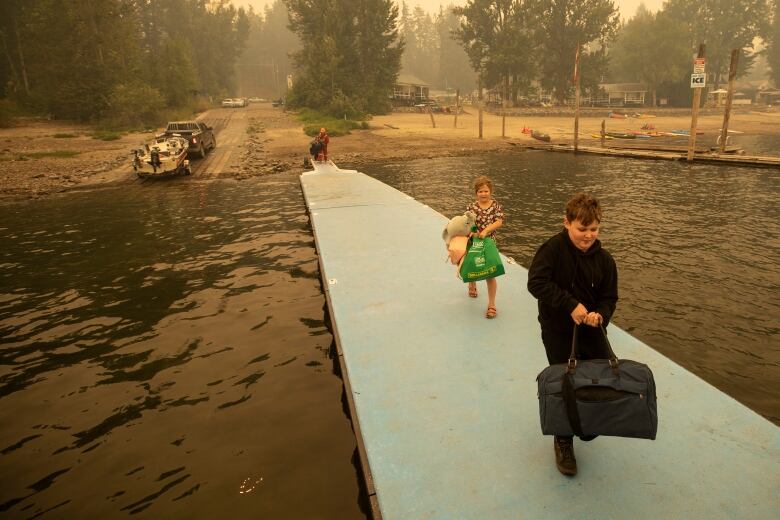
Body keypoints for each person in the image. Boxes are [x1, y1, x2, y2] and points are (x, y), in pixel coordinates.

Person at [527, 193, 618, 476]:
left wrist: (599, 315)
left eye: (594, 229)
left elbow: (609, 297)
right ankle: (563, 439)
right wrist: (570, 305)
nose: (588, 235)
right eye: (582, 229)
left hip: (591, 332)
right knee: (565, 382)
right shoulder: (552, 250)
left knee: (598, 377)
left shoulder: (605, 260)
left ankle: (586, 422)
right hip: (558, 332)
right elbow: (536, 283)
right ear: (566, 223)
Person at [465, 176, 504, 319]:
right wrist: (473, 232)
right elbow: (467, 223)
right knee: (473, 264)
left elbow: (499, 221)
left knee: (491, 272)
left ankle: (492, 304)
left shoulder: (496, 206)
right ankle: (472, 284)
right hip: (474, 240)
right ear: (476, 193)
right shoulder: (471, 207)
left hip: (489, 242)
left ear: (490, 191)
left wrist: (486, 231)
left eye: (486, 191)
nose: (483, 194)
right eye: (480, 191)